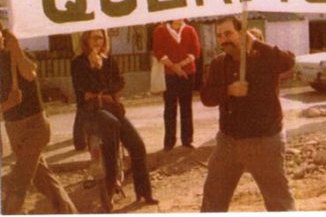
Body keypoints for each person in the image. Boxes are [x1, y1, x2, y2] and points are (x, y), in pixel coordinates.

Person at [199, 16, 296, 212]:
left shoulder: (264, 57)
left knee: (279, 202)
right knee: (213, 200)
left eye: (228, 34)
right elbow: (206, 97)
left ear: (243, 33)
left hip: (264, 141)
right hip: (228, 143)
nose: (224, 39)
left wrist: (256, 43)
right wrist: (228, 91)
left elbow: (288, 62)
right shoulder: (219, 64)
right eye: (219, 36)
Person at [71, 29, 158, 208]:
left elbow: (120, 82)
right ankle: (109, 192)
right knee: (110, 137)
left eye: (101, 38)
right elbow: (85, 87)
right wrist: (94, 69)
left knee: (138, 145)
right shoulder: (78, 62)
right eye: (93, 37)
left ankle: (143, 193)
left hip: (112, 110)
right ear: (85, 40)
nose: (97, 41)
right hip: (91, 113)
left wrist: (101, 91)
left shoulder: (109, 59)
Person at [0, 26, 78, 214]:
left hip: (36, 125)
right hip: (13, 128)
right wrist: (8, 104)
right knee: (43, 177)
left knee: (20, 178)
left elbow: (29, 73)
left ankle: (11, 211)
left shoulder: (22, 54)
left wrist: (16, 49)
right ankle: (68, 210)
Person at [152, 19, 201, 150]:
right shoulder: (160, 30)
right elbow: (159, 52)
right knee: (170, 108)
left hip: (188, 72)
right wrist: (174, 67)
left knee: (186, 106)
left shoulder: (190, 29)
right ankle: (169, 142)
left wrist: (181, 65)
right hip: (169, 74)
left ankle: (187, 140)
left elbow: (195, 51)